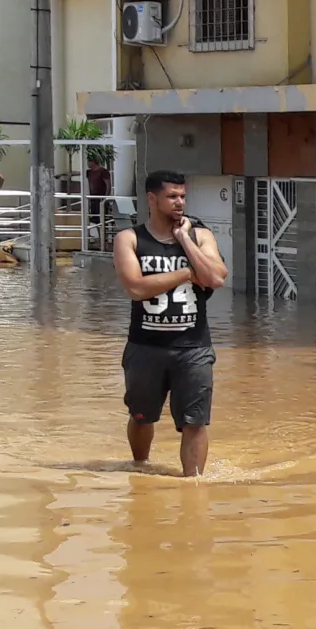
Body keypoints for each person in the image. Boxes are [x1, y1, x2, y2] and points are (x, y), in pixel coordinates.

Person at [114, 169, 229, 476]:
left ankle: (194, 487)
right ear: (152, 199)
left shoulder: (200, 235)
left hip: (193, 348)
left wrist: (185, 241)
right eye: (172, 196)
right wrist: (186, 274)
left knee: (196, 420)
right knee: (141, 416)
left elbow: (216, 277)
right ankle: (140, 468)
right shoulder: (130, 239)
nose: (180, 203)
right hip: (145, 347)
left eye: (183, 196)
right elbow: (136, 288)